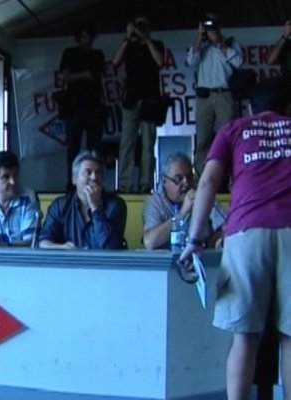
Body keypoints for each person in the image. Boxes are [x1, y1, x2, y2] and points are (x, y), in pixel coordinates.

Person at [179, 78, 291, 400]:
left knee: (244, 337)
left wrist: (194, 239)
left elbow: (208, 181)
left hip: (245, 233)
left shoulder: (234, 129)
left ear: (251, 108)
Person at [186, 12, 243, 176]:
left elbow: (238, 62)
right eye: (207, 24)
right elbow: (191, 61)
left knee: (228, 137)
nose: (209, 28)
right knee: (202, 140)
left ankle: (231, 179)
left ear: (219, 26)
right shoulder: (201, 45)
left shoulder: (230, 42)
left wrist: (219, 43)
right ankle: (202, 178)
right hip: (205, 97)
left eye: (212, 24)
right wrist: (199, 36)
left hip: (224, 95)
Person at [112, 15, 165, 193]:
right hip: (131, 100)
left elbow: (160, 62)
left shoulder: (156, 44)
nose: (140, 28)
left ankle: (146, 185)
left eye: (143, 25)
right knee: (127, 144)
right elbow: (115, 61)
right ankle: (124, 185)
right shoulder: (129, 46)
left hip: (150, 101)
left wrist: (146, 39)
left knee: (148, 145)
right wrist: (128, 37)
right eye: (138, 25)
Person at [39, 150, 127, 250]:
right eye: (88, 172)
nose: (94, 177)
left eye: (98, 173)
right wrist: (62, 248)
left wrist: (96, 207)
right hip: (70, 260)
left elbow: (111, 248)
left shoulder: (116, 205)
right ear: (74, 179)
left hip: (102, 260)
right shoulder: (60, 206)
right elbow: (42, 242)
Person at [142, 152, 225, 250]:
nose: (186, 183)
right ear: (164, 181)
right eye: (179, 179)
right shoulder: (155, 202)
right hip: (167, 258)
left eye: (189, 177)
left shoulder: (201, 195)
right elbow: (150, 242)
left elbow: (227, 229)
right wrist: (182, 213)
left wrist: (216, 240)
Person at [59, 23, 105, 192]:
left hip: (94, 105)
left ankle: (96, 182)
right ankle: (72, 183)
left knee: (95, 148)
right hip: (74, 106)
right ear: (79, 37)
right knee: (73, 147)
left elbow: (98, 74)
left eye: (89, 36)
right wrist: (84, 74)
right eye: (84, 36)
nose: (87, 40)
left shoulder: (98, 54)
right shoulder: (70, 53)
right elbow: (65, 77)